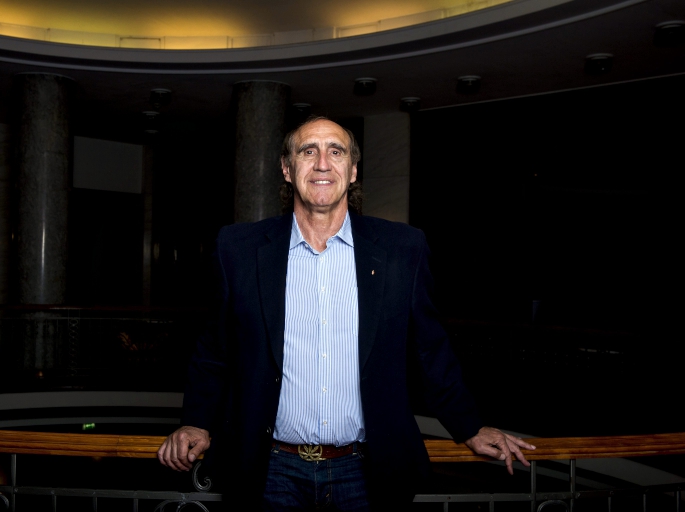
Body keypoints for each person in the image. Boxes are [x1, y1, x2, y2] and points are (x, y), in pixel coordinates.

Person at [158, 117, 535, 510]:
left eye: (335, 151)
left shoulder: (402, 249)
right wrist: (195, 421)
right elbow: (214, 350)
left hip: (366, 472)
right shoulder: (238, 248)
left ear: (353, 170)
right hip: (270, 470)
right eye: (308, 151)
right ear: (287, 168)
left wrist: (470, 426)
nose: (322, 163)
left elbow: (430, 350)